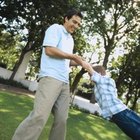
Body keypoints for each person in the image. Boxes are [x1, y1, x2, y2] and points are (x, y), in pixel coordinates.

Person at [12, 9, 86, 140]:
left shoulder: (70, 40)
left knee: (62, 120)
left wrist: (80, 62)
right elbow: (50, 50)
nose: (76, 26)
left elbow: (66, 61)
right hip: (51, 78)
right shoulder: (55, 29)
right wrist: (72, 56)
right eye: (74, 22)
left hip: (64, 82)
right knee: (39, 116)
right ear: (66, 19)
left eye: (79, 24)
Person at [83, 64, 140, 140]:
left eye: (90, 75)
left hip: (119, 113)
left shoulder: (101, 80)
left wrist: (79, 60)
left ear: (98, 74)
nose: (91, 78)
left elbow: (88, 68)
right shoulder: (107, 82)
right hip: (123, 111)